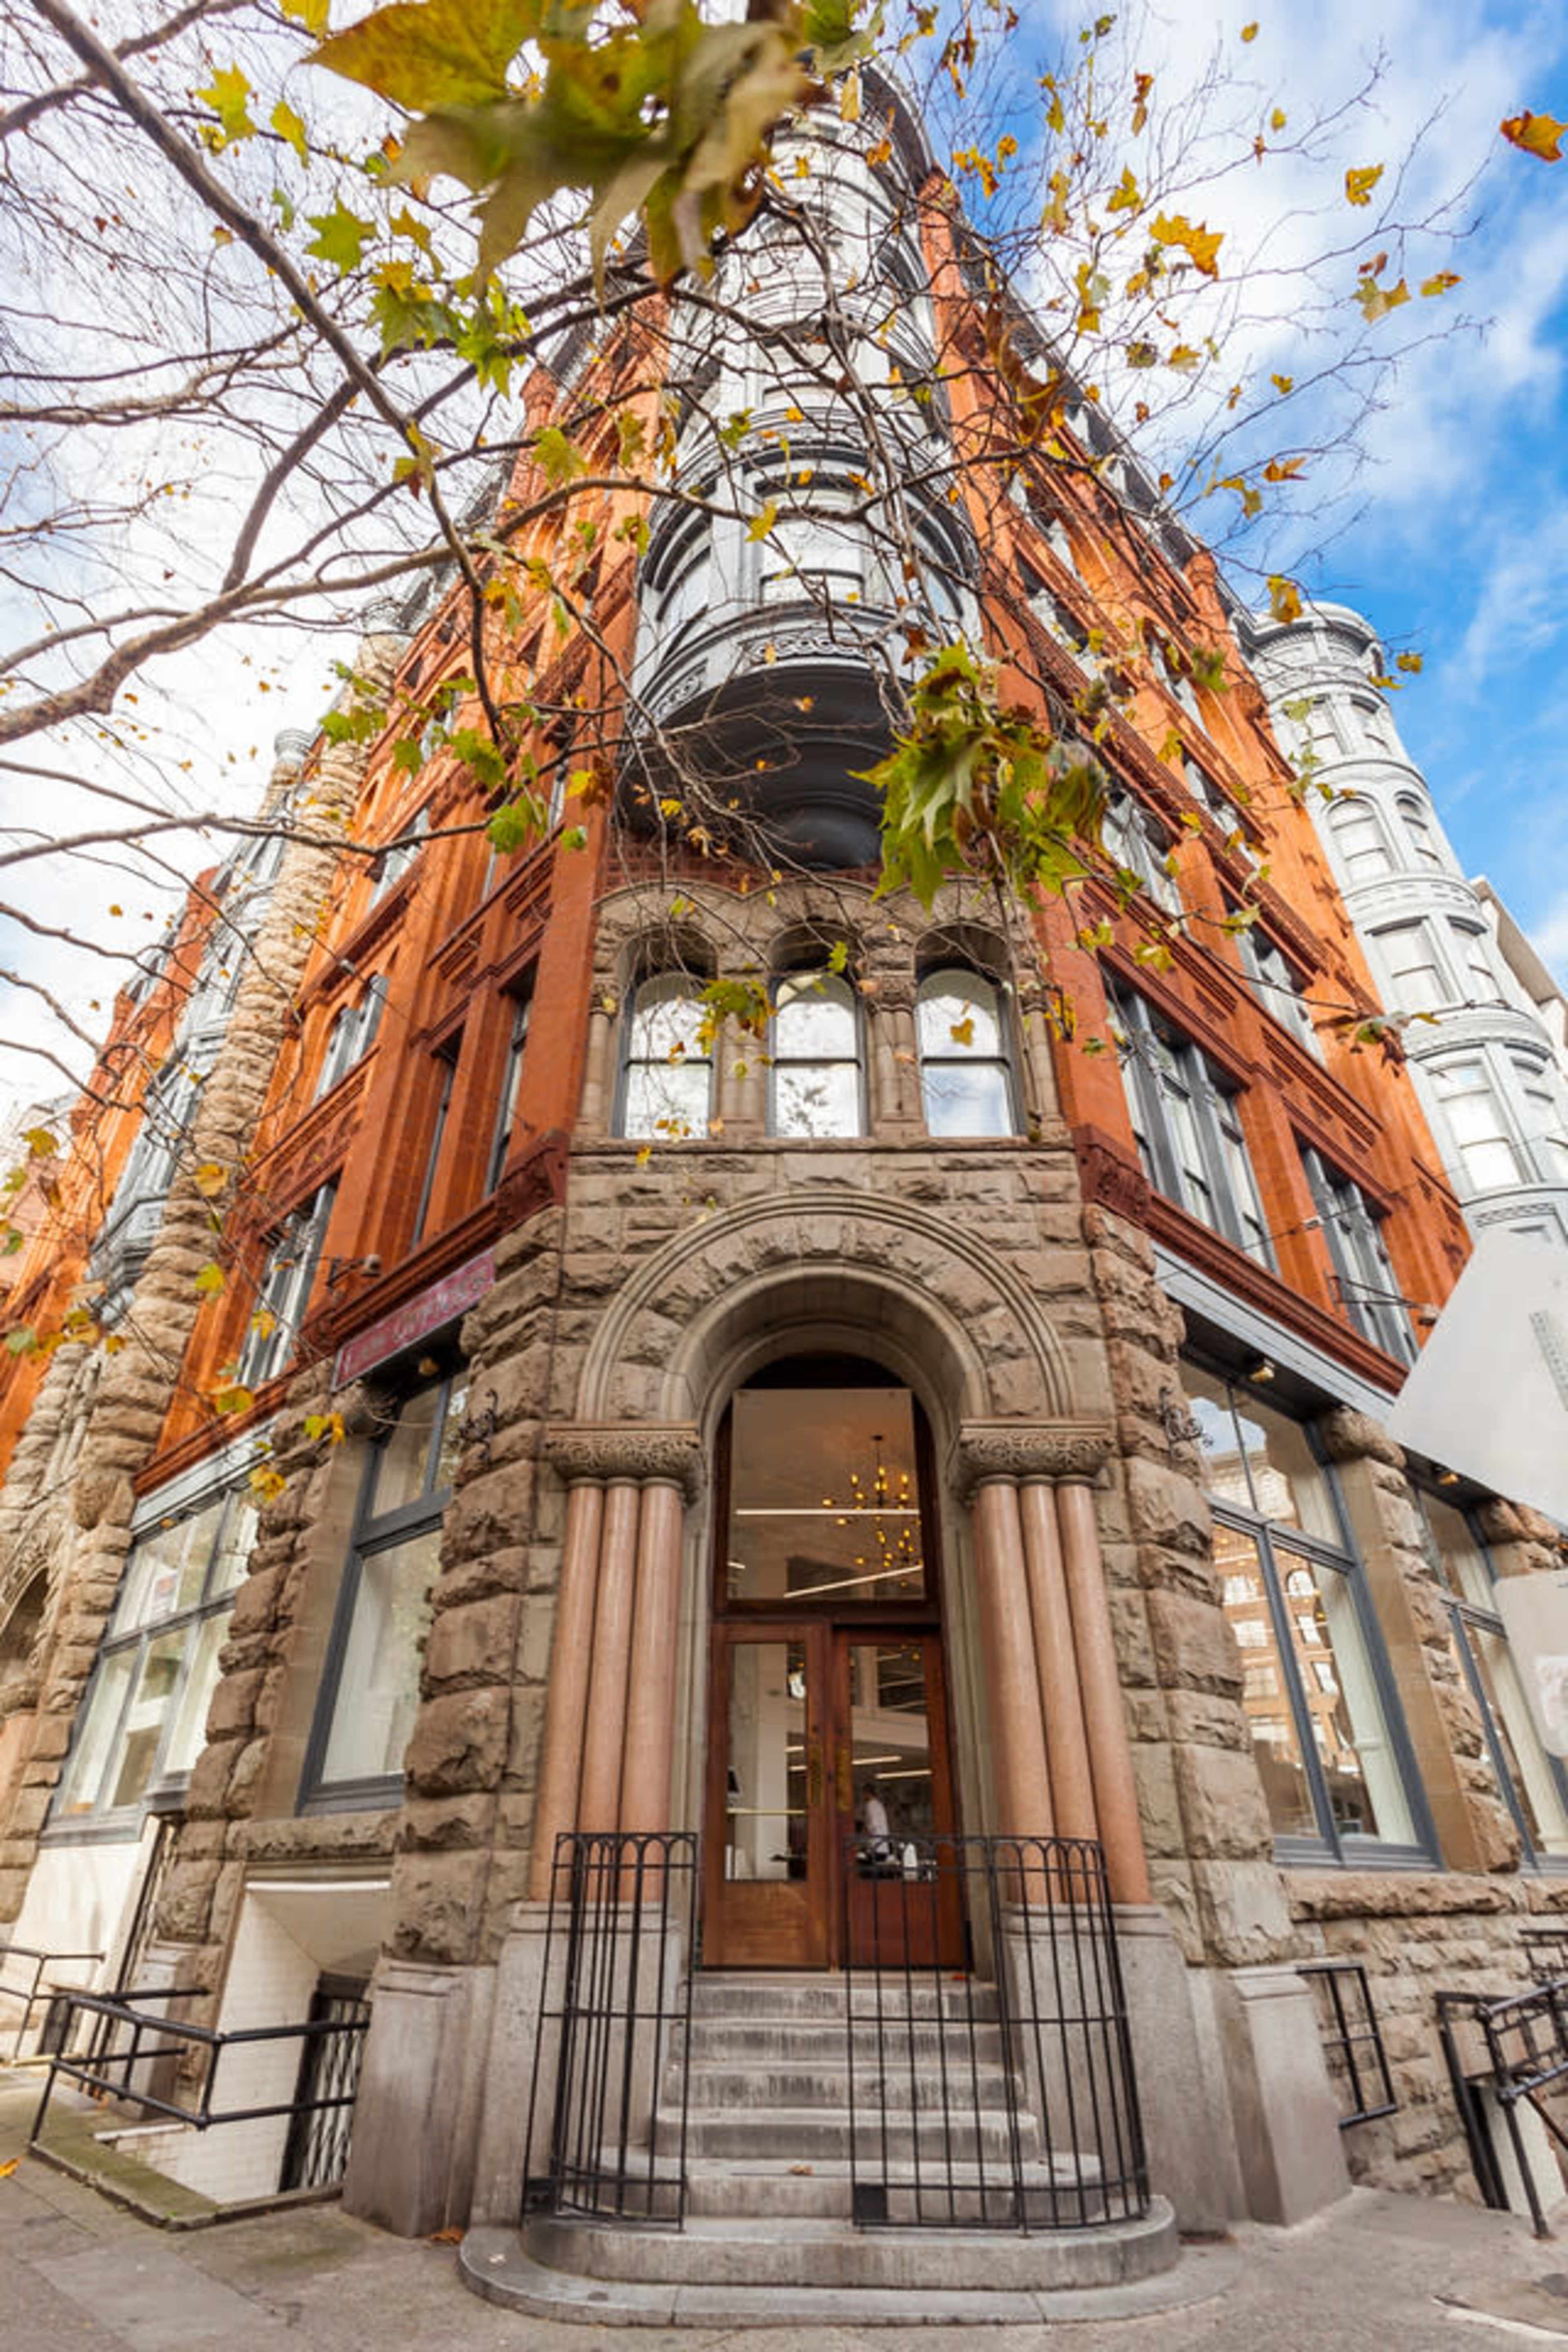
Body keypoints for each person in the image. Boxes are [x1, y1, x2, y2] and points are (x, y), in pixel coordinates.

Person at [860, 1780, 893, 1871]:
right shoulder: (879, 1805)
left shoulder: (871, 1805)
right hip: (883, 1845)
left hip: (875, 1845)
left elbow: (873, 1825)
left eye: (863, 1794)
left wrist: (865, 1832)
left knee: (870, 1871)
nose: (863, 1796)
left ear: (867, 1793)